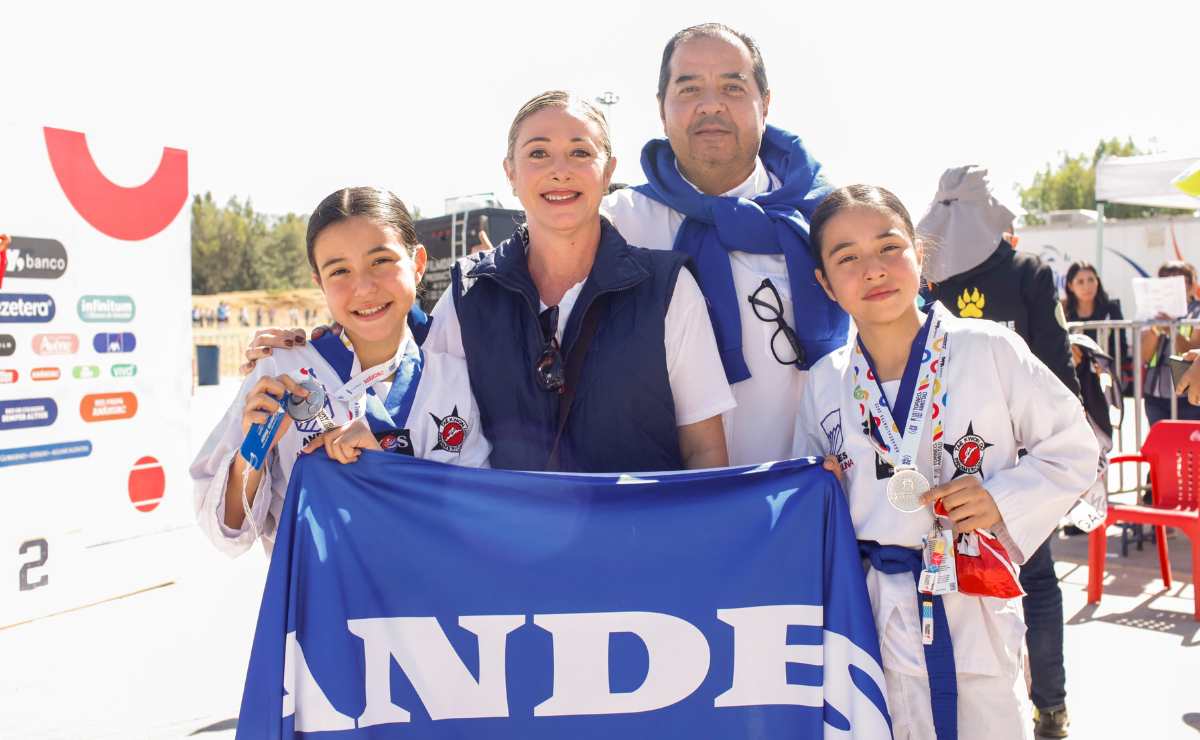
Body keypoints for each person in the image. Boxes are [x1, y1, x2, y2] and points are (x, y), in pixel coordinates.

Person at [793, 184, 1097, 740]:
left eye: (889, 247)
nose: (874, 269)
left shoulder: (988, 350)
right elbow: (807, 500)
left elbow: (1075, 447)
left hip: (970, 601)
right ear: (825, 284)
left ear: (919, 254)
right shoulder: (823, 382)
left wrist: (999, 499)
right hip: (869, 612)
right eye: (847, 258)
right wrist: (822, 489)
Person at [419, 90, 732, 473]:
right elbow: (416, 417)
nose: (559, 170)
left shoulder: (668, 290)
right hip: (505, 533)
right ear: (510, 173)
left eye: (580, 153)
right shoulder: (467, 294)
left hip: (637, 531)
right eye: (538, 153)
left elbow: (704, 451)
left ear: (609, 172)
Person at [190, 187, 491, 557]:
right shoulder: (279, 371)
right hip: (318, 607)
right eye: (339, 271)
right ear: (319, 282)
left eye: (381, 261)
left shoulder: (453, 378)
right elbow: (226, 530)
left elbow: (478, 518)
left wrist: (387, 464)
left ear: (418, 263)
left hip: (427, 608)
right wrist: (254, 447)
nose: (363, 288)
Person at [602, 23, 846, 466]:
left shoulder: (826, 220)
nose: (710, 105)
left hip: (811, 502)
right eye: (689, 88)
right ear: (661, 109)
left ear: (765, 103)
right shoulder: (615, 226)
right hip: (671, 507)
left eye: (733, 88)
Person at [918, 166, 1080, 738]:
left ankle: (975, 707)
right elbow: (1060, 376)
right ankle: (1049, 707)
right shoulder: (1028, 273)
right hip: (1016, 466)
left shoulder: (922, 276)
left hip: (940, 467)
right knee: (1035, 582)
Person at [1140, 260, 1200, 426]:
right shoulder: (1151, 314)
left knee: (1191, 447)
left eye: (1179, 281)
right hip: (1155, 395)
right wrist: (1156, 329)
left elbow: (1192, 348)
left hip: (1189, 396)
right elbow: (1143, 355)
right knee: (1160, 447)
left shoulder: (1197, 313)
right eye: (1166, 281)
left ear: (1191, 285)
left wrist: (1171, 329)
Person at [1063, 260, 1128, 390]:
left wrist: (1106, 367)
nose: (1087, 286)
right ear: (1070, 286)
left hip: (1105, 378)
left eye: (1091, 280)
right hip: (1073, 378)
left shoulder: (1111, 309)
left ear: (1098, 281)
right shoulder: (1064, 311)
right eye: (1080, 282)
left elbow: (1121, 347)